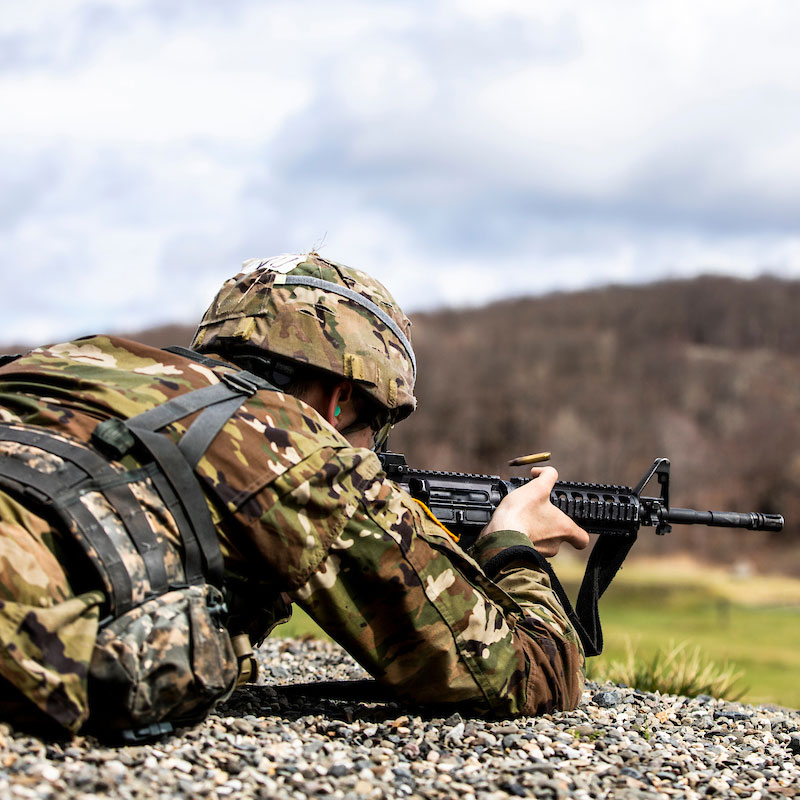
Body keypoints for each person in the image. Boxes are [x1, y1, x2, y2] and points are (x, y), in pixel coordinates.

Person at [0, 252, 589, 739]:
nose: (371, 453)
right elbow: (527, 678)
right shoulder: (303, 450)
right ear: (340, 399)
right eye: (375, 430)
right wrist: (512, 542)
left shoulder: (72, 359)